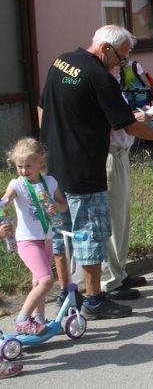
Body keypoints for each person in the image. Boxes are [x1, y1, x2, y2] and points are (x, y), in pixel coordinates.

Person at [38, 24, 153, 320]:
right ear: (105, 48)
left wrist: (46, 146)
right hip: (85, 169)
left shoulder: (62, 62)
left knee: (61, 233)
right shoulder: (99, 77)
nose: (122, 64)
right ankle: (94, 300)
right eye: (121, 58)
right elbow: (130, 126)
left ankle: (66, 294)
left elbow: (42, 107)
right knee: (91, 233)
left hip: (53, 166)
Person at [2, 138, 68, 334]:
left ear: (40, 162)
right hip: (27, 240)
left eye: (28, 166)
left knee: (38, 282)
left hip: (46, 239)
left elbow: (63, 204)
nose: (24, 170)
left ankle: (39, 319)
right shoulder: (17, 184)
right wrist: (3, 202)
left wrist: (57, 207)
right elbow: (6, 199)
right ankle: (23, 319)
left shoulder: (50, 182)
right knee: (47, 280)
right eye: (19, 166)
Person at [100, 65, 151, 301]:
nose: (120, 71)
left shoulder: (115, 88)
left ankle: (119, 271)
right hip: (110, 154)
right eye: (116, 66)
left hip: (122, 153)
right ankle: (109, 281)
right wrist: (136, 119)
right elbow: (109, 122)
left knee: (122, 217)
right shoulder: (100, 87)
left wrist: (139, 115)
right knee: (112, 220)